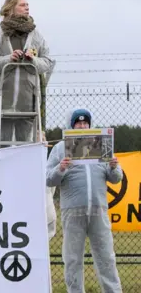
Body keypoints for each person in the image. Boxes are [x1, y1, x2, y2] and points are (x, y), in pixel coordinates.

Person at [46, 108, 123, 293]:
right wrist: (60, 168)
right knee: (72, 260)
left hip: (99, 211)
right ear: (71, 125)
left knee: (106, 258)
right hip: (72, 212)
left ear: (90, 124)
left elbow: (116, 178)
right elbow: (48, 178)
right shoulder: (60, 148)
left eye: (85, 123)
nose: (82, 126)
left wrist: (113, 167)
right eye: (78, 123)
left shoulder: (102, 144)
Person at [0, 0, 55, 149]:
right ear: (10, 8)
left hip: (27, 104)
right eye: (22, 5)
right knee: (1, 147)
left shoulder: (36, 35)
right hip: (3, 102)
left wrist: (32, 60)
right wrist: (8, 59)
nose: (27, 7)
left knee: (27, 147)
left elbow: (47, 61)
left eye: (27, 5)